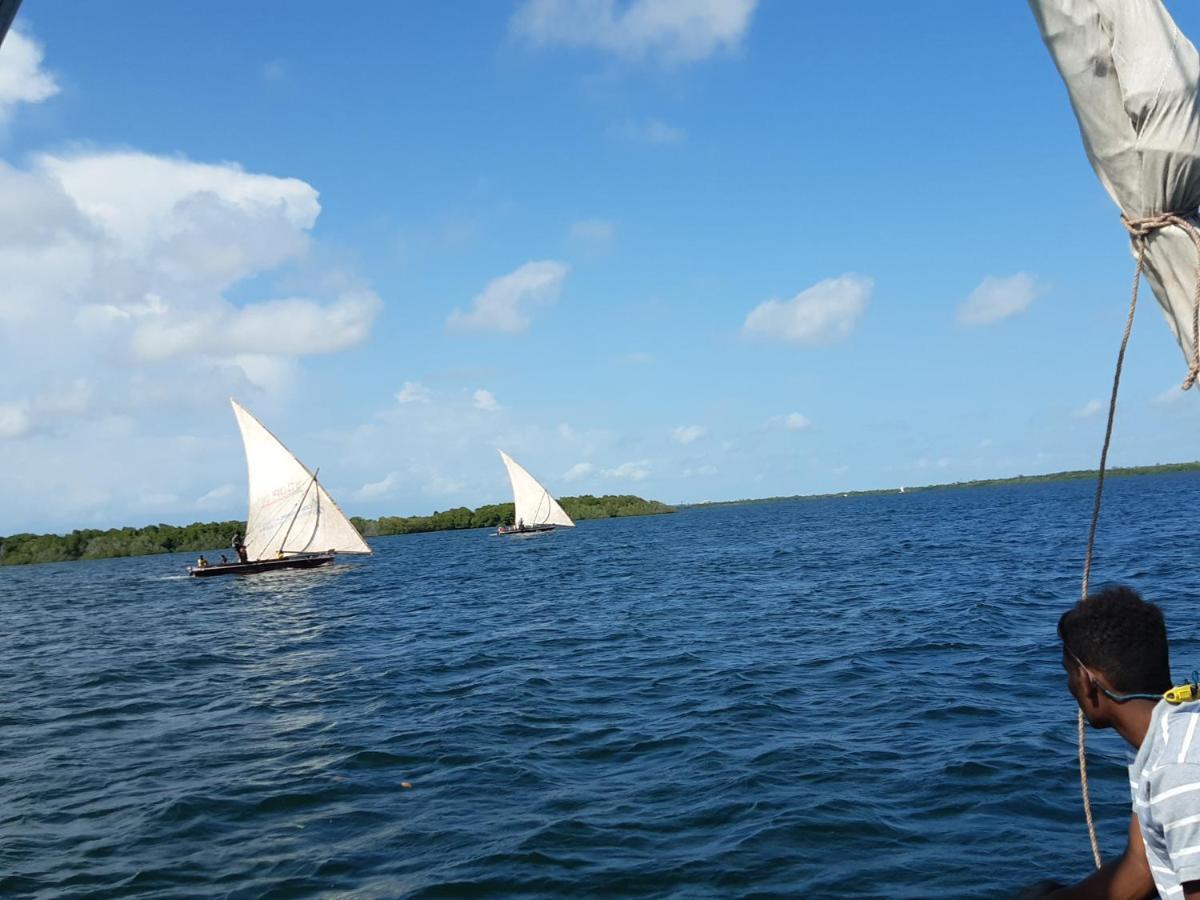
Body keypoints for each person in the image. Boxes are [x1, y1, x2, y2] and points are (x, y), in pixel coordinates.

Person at [1020, 586, 1200, 899]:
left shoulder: (1180, 769)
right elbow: (1142, 865)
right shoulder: (1168, 728)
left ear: (1086, 681)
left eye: (1068, 674)